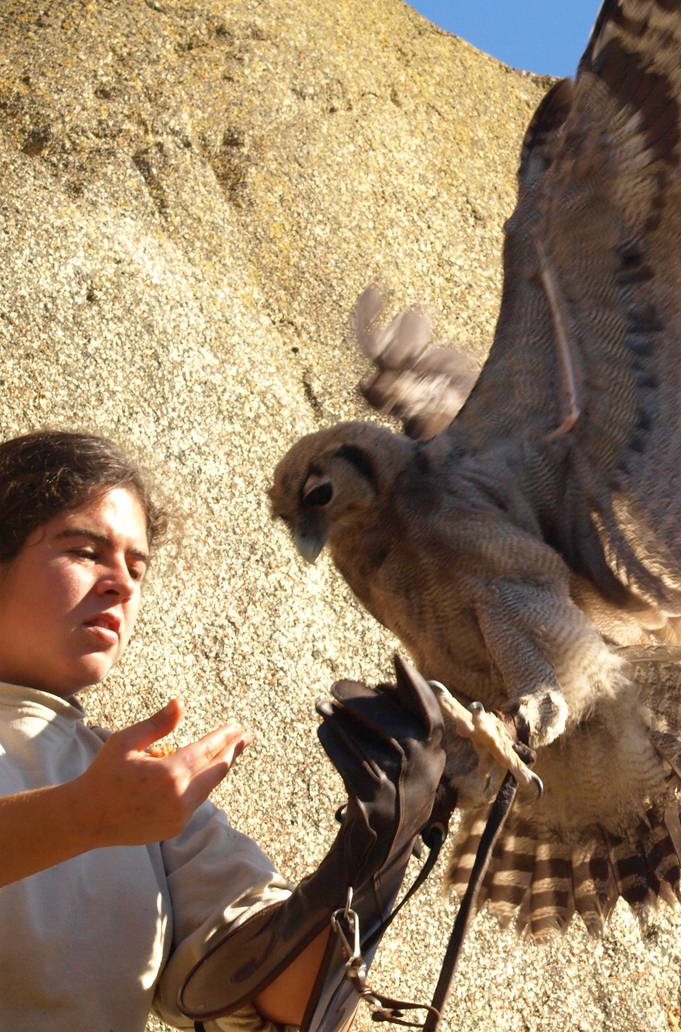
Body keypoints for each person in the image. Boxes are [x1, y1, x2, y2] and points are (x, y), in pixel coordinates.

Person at [0, 429, 440, 1031]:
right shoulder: (121, 800)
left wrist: (374, 855)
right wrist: (86, 815)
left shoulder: (141, 793)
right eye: (83, 551)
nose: (123, 584)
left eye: (136, 566)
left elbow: (274, 996)